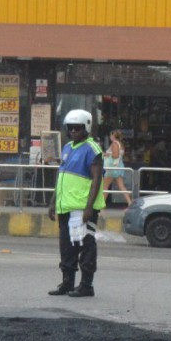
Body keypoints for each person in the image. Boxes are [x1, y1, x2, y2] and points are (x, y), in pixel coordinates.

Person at [47, 109, 105, 298]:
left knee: (85, 246)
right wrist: (53, 202)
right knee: (67, 247)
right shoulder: (67, 147)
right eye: (70, 128)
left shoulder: (92, 149)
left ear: (86, 127)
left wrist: (89, 207)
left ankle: (86, 285)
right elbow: (61, 176)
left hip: (81, 208)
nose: (73, 131)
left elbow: (96, 179)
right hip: (65, 206)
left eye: (77, 128)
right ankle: (67, 282)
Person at [102, 130, 133, 206]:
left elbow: (115, 155)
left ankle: (102, 204)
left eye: (111, 135)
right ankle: (130, 202)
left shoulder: (114, 144)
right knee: (121, 186)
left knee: (105, 187)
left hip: (111, 168)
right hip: (118, 166)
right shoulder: (120, 144)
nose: (110, 136)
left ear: (113, 136)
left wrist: (107, 154)